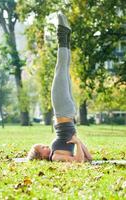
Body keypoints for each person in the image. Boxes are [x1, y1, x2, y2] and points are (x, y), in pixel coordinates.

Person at [28, 12, 92, 163]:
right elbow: (81, 161)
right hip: (63, 111)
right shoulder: (56, 157)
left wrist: (77, 141)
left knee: (65, 68)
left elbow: (89, 158)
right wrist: (76, 142)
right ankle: (62, 33)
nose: (45, 145)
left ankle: (66, 35)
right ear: (42, 156)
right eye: (41, 148)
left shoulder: (56, 152)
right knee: (60, 68)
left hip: (67, 113)